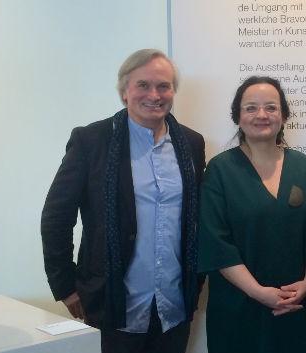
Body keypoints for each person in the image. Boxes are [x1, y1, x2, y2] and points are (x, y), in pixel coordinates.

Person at [41, 49, 205, 353]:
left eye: (164, 86)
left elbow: (196, 222)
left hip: (173, 307)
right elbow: (56, 216)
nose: (154, 95)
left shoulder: (192, 144)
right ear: (124, 92)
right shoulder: (92, 141)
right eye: (143, 85)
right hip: (112, 306)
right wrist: (65, 286)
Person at [198, 76, 306, 353]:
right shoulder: (220, 170)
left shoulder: (303, 167)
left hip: (293, 305)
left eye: (271, 108)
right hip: (237, 307)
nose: (261, 115)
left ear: (284, 115)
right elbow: (215, 242)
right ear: (237, 117)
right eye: (251, 108)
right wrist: (258, 292)